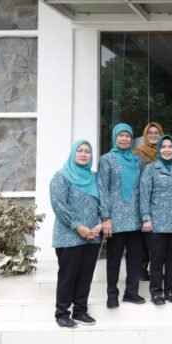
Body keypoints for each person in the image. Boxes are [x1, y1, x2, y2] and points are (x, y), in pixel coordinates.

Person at [49, 140, 102, 328]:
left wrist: (99, 224)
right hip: (68, 236)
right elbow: (59, 205)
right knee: (68, 276)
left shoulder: (94, 177)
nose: (84, 154)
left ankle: (80, 311)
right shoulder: (61, 177)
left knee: (85, 275)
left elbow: (102, 202)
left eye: (87, 151)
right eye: (80, 150)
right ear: (73, 153)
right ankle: (62, 313)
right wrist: (78, 226)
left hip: (92, 236)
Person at [98, 123, 146, 308]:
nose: (124, 139)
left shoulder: (138, 161)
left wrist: (145, 216)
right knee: (114, 259)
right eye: (121, 135)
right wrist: (106, 217)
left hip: (135, 217)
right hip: (115, 219)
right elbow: (103, 189)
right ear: (115, 137)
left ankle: (131, 293)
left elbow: (143, 188)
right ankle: (112, 294)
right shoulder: (106, 159)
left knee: (135, 258)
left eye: (128, 136)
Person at [139, 135, 172, 305]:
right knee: (157, 259)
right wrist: (146, 218)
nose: (167, 150)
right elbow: (144, 195)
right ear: (159, 149)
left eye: (170, 146)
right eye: (163, 146)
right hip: (156, 223)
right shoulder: (151, 169)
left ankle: (170, 291)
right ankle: (156, 292)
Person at [133, 122, 164, 281]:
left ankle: (157, 269)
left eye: (156, 133)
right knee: (145, 236)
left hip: (162, 200)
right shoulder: (138, 153)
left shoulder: (167, 151)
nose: (153, 135)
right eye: (150, 133)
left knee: (159, 238)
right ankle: (142, 268)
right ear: (145, 135)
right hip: (144, 197)